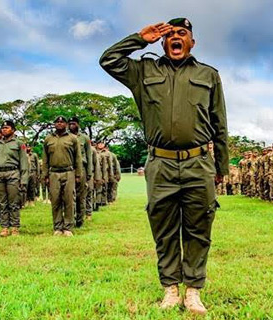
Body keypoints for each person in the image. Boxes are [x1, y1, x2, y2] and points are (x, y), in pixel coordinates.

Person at [100, 17, 229, 314]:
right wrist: (138, 38)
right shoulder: (143, 70)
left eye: (182, 33)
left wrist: (220, 166)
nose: (176, 37)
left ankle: (193, 290)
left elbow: (220, 123)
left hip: (199, 163)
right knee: (164, 228)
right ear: (162, 41)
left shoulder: (209, 75)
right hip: (160, 164)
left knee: (199, 227)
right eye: (170, 34)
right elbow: (108, 60)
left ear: (192, 42)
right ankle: (170, 288)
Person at [42, 116, 83, 236]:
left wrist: (78, 174)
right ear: (54, 124)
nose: (59, 124)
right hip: (53, 173)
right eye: (57, 122)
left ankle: (68, 227)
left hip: (69, 172)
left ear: (66, 124)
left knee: (69, 200)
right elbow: (45, 159)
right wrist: (45, 175)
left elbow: (78, 158)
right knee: (55, 200)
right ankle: (57, 227)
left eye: (62, 122)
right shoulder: (48, 139)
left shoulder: (73, 138)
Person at [0, 120, 29, 237]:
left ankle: (15, 227)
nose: (4, 130)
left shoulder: (19, 143)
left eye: (7, 128)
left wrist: (24, 180)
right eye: (3, 128)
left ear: (13, 130)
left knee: (13, 203)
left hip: (13, 173)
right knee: (2, 203)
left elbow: (24, 162)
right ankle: (4, 227)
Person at [68, 117, 93, 227]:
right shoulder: (66, 137)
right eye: (69, 124)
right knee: (69, 195)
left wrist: (89, 173)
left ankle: (79, 219)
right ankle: (70, 219)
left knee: (80, 196)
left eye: (73, 123)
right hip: (70, 168)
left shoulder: (85, 138)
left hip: (82, 168)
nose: (71, 125)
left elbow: (89, 156)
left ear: (78, 124)